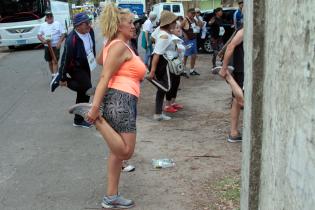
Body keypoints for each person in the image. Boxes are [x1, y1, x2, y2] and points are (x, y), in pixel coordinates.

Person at [69, 4, 146, 208]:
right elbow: (104, 76)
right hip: (121, 100)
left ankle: (111, 197)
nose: (134, 26)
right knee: (126, 152)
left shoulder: (117, 44)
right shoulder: (119, 46)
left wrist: (111, 36)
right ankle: (96, 119)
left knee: (116, 152)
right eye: (129, 23)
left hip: (123, 99)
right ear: (119, 26)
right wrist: (95, 108)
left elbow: (101, 59)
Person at [51, 13, 96, 128]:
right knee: (87, 88)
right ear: (78, 26)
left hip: (87, 64)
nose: (88, 24)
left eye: (89, 21)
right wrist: (62, 76)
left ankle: (78, 120)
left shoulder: (90, 31)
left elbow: (92, 46)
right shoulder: (71, 40)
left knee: (83, 92)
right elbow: (65, 59)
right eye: (86, 23)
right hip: (75, 67)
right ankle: (63, 81)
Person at [148, 11, 179, 120]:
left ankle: (158, 114)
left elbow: (152, 38)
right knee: (167, 87)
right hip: (161, 62)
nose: (176, 23)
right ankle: (147, 76)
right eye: (174, 21)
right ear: (169, 23)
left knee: (162, 90)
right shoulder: (164, 35)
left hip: (161, 61)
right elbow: (157, 54)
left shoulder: (159, 31)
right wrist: (152, 71)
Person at [219, 28, 244, 143]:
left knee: (236, 99)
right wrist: (224, 69)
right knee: (242, 100)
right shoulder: (243, 30)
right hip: (241, 69)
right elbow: (230, 47)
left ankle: (233, 132)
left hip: (241, 68)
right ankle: (233, 132)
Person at [37, 10, 66, 79]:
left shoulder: (57, 24)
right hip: (47, 46)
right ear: (46, 18)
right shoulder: (42, 25)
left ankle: (56, 77)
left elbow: (63, 34)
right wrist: (43, 40)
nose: (49, 17)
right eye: (48, 16)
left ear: (53, 17)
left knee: (54, 61)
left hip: (55, 46)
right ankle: (53, 74)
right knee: (50, 62)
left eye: (51, 16)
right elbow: (39, 35)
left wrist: (59, 43)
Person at [164, 21, 185, 112]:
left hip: (177, 64)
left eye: (179, 27)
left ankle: (173, 102)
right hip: (171, 64)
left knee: (176, 83)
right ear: (171, 29)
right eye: (176, 27)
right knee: (171, 85)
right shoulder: (170, 38)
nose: (179, 29)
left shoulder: (176, 39)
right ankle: (167, 105)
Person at [181, 8, 200, 76]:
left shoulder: (194, 20)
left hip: (193, 39)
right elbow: (180, 27)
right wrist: (184, 34)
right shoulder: (185, 19)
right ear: (188, 13)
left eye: (194, 13)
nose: (193, 14)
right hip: (187, 40)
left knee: (194, 55)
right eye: (192, 13)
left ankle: (192, 70)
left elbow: (200, 25)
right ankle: (183, 70)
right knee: (185, 55)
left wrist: (197, 17)